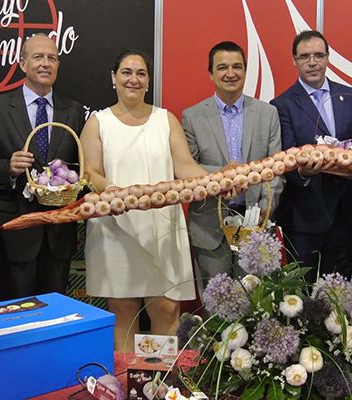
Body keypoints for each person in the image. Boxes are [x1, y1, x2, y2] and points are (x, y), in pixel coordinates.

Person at [80, 50, 209, 352]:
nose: (133, 79)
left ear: (149, 81)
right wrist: (114, 192)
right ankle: (127, 386)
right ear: (113, 78)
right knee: (122, 310)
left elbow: (185, 167)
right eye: (126, 72)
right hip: (115, 227)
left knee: (166, 309)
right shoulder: (98, 122)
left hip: (162, 228)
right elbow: (90, 172)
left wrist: (217, 181)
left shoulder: (166, 119)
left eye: (141, 73)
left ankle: (161, 386)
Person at [0, 34, 85, 300]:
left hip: (59, 233)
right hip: (15, 232)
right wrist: (8, 168)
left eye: (52, 58)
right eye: (38, 57)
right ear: (22, 63)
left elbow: (83, 166)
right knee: (13, 317)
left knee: (53, 316)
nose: (45, 63)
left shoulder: (73, 111)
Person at [270, 30, 352, 282]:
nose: (312, 62)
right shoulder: (281, 104)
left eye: (318, 55)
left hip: (345, 212)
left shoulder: (351, 96)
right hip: (303, 217)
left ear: (327, 58)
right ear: (294, 60)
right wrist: (302, 172)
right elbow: (283, 157)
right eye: (304, 57)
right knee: (302, 296)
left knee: (340, 293)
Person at [182, 41, 283, 281]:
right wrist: (224, 175)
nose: (230, 73)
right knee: (216, 304)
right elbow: (186, 168)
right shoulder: (192, 116)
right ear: (211, 74)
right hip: (209, 227)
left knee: (256, 302)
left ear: (245, 71)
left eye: (237, 66)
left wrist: (266, 210)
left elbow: (276, 169)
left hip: (255, 224)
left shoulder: (267, 113)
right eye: (222, 67)